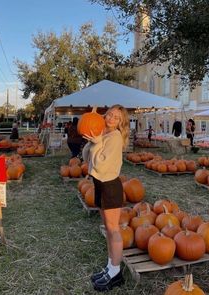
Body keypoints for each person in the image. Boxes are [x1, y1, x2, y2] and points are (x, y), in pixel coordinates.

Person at [82, 104, 129, 292]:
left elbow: (100, 165)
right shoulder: (105, 134)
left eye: (116, 117)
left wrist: (98, 142)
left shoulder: (115, 138)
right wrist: (93, 140)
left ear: (120, 123)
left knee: (113, 229)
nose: (110, 118)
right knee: (108, 230)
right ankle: (110, 267)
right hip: (100, 185)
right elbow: (87, 158)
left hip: (110, 186)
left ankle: (116, 273)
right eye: (109, 114)